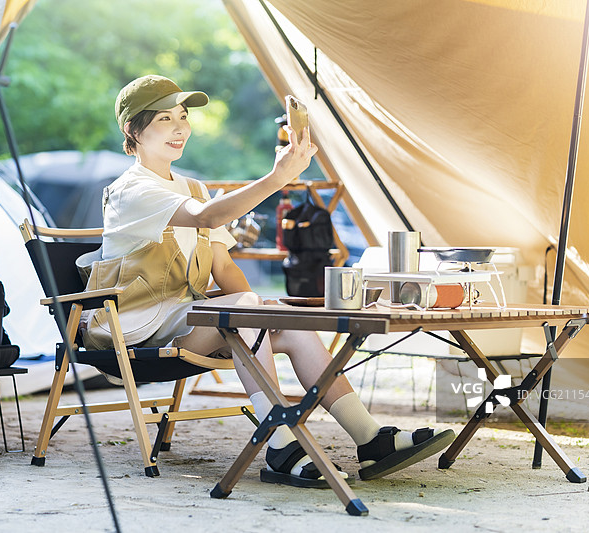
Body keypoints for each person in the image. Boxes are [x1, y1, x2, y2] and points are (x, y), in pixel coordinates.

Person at [77, 74, 455, 486]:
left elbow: (222, 268)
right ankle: (277, 442)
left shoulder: (194, 188)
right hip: (137, 334)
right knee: (248, 310)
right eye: (165, 118)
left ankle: (370, 438)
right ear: (133, 129)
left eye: (183, 116)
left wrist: (260, 310)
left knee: (285, 322)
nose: (180, 127)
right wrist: (277, 180)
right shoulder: (130, 191)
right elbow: (208, 218)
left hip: (186, 325)